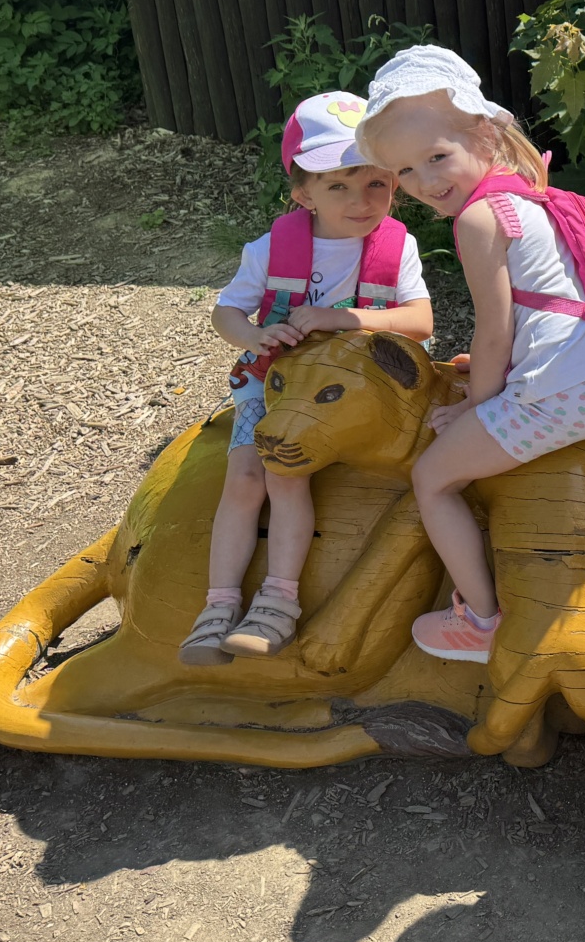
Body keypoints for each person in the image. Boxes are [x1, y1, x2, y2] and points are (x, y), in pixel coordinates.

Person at [355, 46, 585, 664]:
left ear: (484, 136)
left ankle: (482, 621)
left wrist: (475, 407)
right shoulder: (529, 195)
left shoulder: (478, 219)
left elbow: (494, 332)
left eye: (437, 157)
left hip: (565, 394)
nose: (425, 181)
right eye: (405, 171)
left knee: (432, 478)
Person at [180, 92, 433, 665]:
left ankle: (278, 602)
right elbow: (226, 312)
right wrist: (253, 337)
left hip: (354, 394)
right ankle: (218, 606)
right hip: (274, 383)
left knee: (286, 476)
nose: (361, 200)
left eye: (376, 183)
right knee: (249, 475)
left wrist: (344, 318)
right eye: (338, 185)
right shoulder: (271, 249)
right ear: (303, 193)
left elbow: (420, 322)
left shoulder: (398, 248)